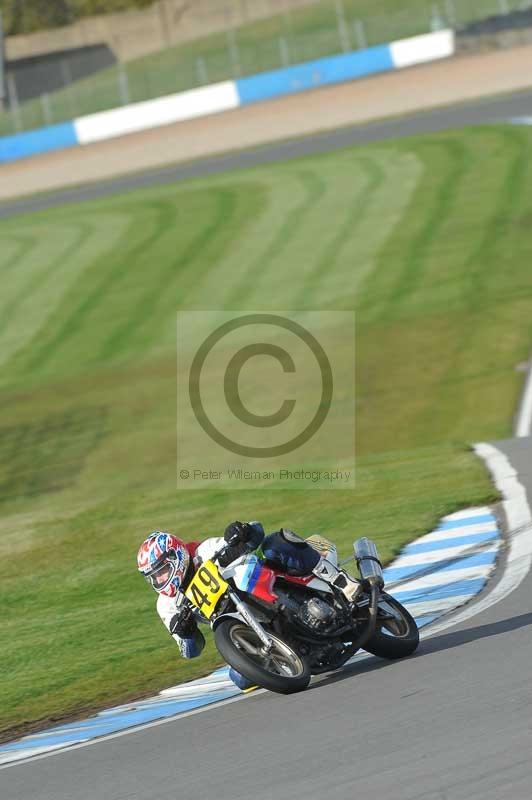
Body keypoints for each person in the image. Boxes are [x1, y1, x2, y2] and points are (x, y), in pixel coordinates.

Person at [136, 521, 360, 689]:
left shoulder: (203, 551)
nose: (160, 580)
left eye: (163, 571)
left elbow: (254, 535)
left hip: (259, 591)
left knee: (273, 545)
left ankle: (339, 581)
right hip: (241, 626)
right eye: (154, 577)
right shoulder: (166, 605)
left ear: (176, 556)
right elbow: (190, 650)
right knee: (242, 679)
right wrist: (185, 633)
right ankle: (292, 653)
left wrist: (242, 532)